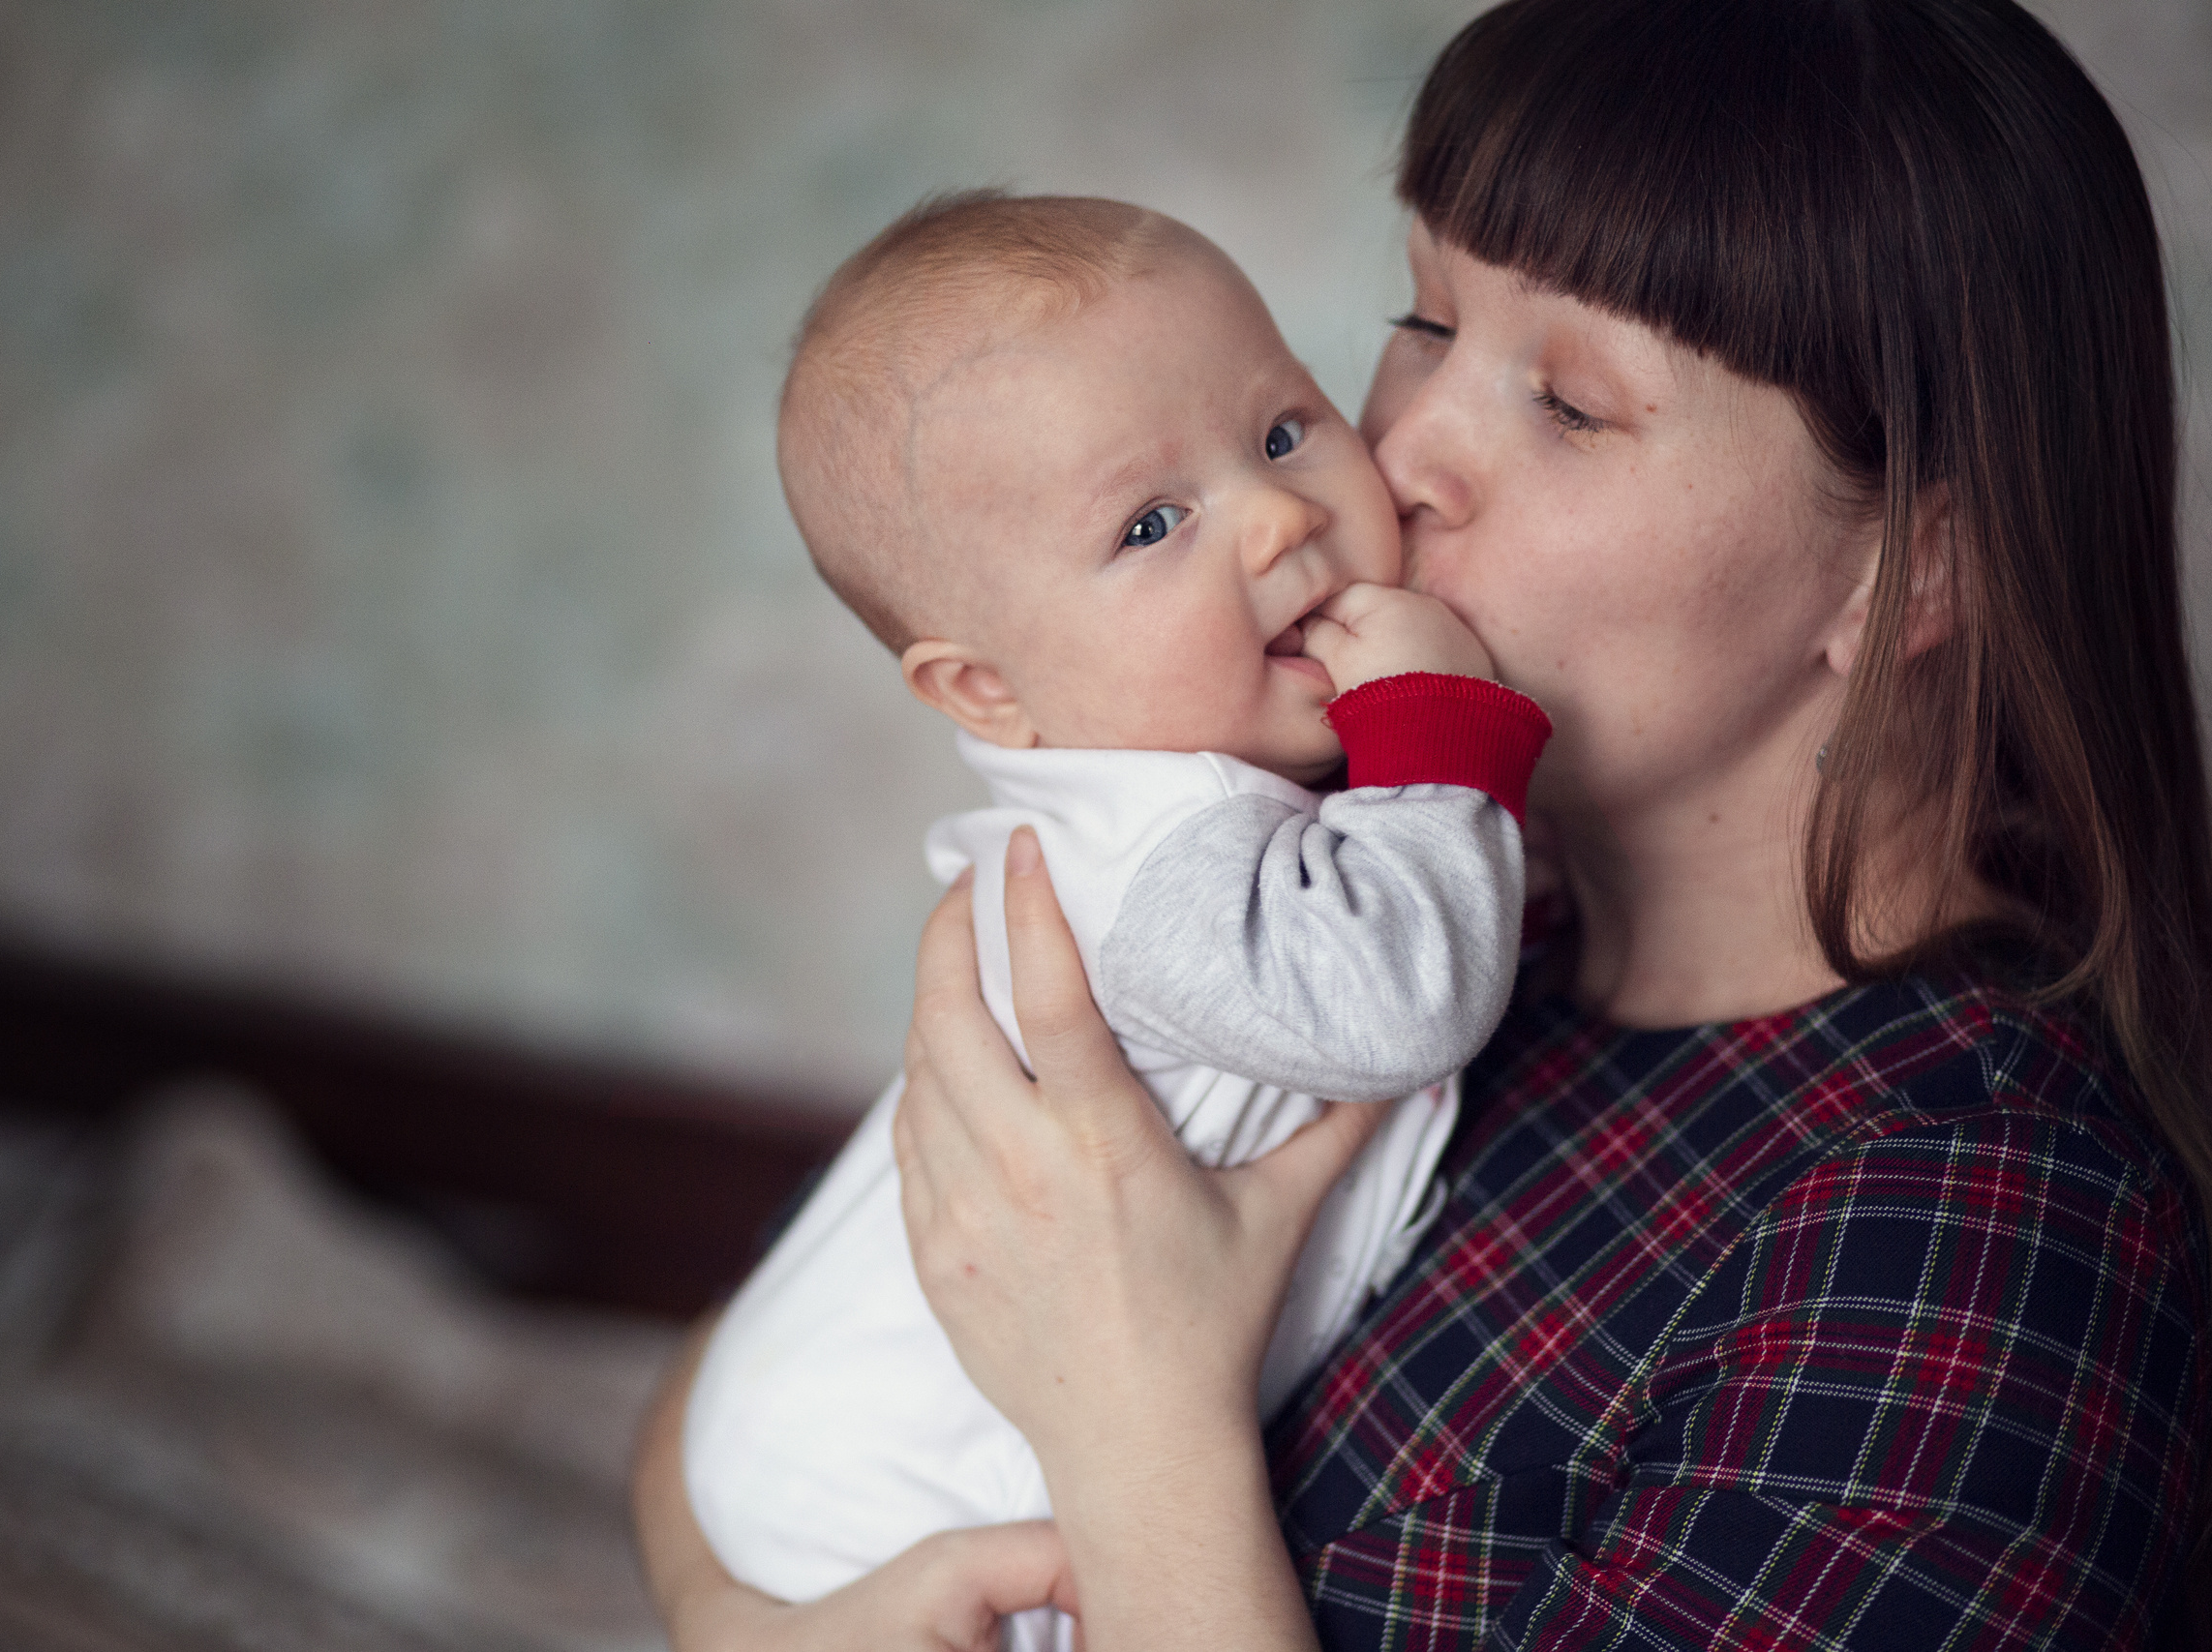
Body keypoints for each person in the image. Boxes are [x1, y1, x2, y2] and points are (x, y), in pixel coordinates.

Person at [634, 0, 2212, 1644]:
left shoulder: (1973, 1243)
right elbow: (764, 1345)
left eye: (1574, 406)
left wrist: (1134, 1417)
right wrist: (745, 1623)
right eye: (1423, 317)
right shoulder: (1398, 871)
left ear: (1916, 575)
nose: (1405, 453)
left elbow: (1054, 1340)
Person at [681, 193, 1551, 1652]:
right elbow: (1397, 996)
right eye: (1151, 523)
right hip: (888, 1483)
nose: (1279, 512)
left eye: (1280, 429)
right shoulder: (1145, 855)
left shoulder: (1192, 795)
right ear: (985, 691)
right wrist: (1445, 739)